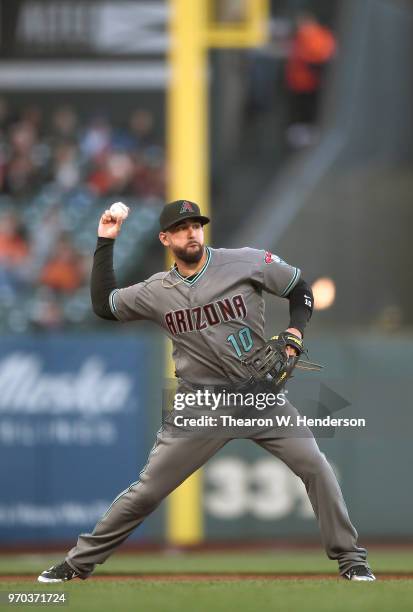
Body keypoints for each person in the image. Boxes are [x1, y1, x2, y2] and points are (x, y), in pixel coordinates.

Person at [38, 200, 375, 583]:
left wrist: (295, 333)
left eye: (196, 224)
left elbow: (300, 288)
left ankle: (351, 560)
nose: (191, 231)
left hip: (260, 397)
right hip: (201, 404)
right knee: (147, 492)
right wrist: (106, 239)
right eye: (181, 227)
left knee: (316, 467)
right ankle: (77, 563)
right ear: (166, 238)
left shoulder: (245, 261)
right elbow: (104, 305)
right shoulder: (156, 291)